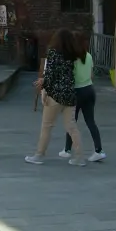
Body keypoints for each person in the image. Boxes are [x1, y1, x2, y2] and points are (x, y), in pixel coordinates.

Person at [25, 29, 84, 166]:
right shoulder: (72, 55)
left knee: (47, 126)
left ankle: (39, 154)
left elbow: (50, 75)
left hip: (55, 95)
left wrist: (44, 89)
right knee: (71, 126)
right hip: (69, 93)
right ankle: (80, 157)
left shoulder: (53, 53)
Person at [59, 34, 106, 162]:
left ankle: (67, 149)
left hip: (77, 91)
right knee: (91, 121)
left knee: (71, 121)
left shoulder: (72, 59)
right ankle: (99, 150)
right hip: (89, 90)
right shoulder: (89, 56)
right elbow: (91, 75)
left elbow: (69, 77)